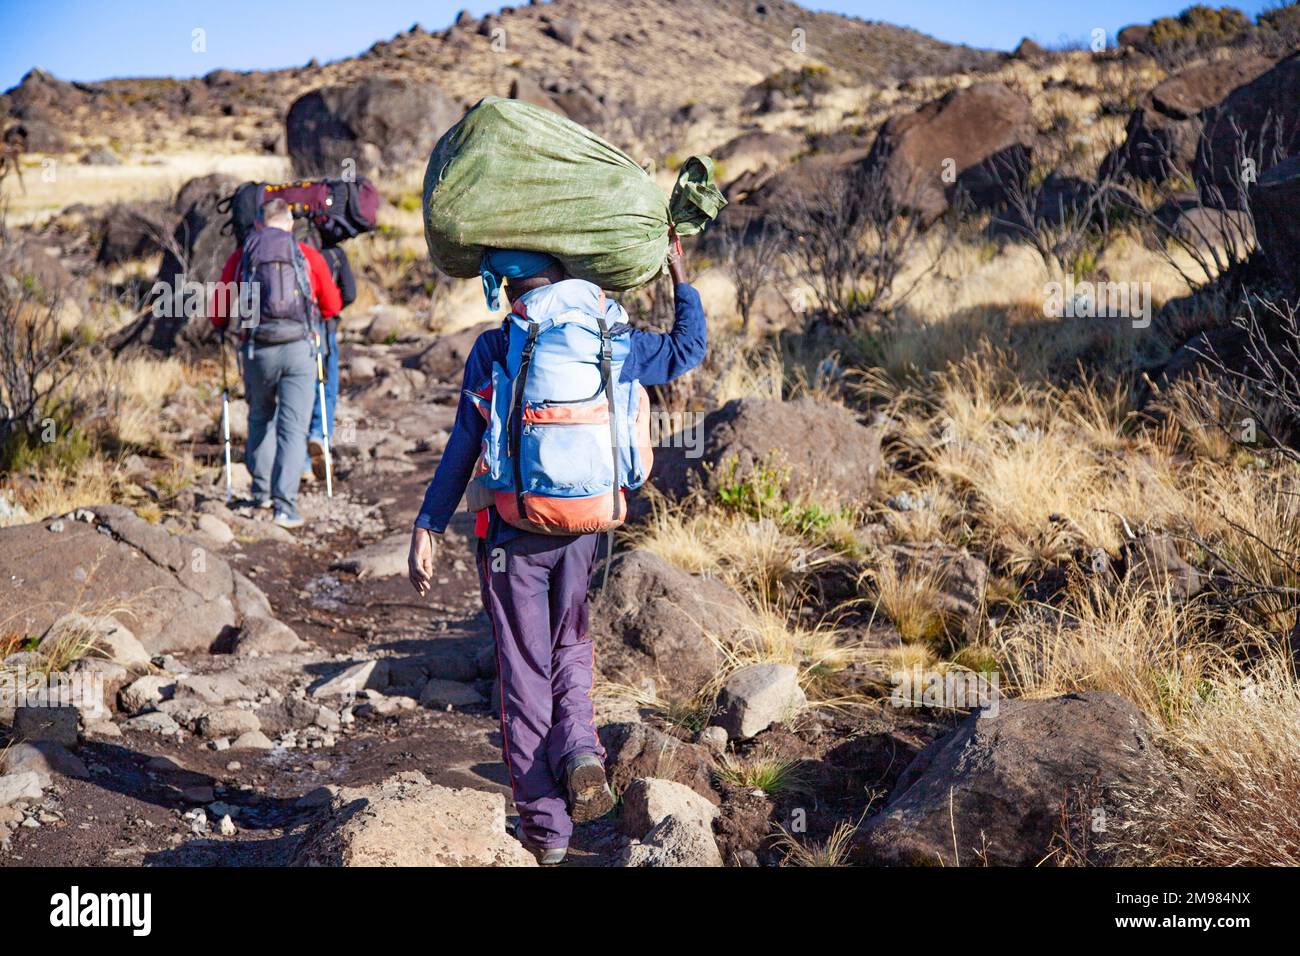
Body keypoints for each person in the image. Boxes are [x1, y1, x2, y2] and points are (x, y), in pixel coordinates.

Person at [407, 241, 706, 864]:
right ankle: (582, 755)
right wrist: (681, 276)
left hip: (511, 535)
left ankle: (545, 835)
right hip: (585, 524)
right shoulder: (607, 337)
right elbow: (686, 351)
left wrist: (428, 524)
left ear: (508, 289)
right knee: (570, 647)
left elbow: (465, 441)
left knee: (523, 672)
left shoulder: (499, 347)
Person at [209, 198, 342, 528]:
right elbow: (332, 304)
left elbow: (219, 311)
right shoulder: (305, 254)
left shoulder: (243, 256)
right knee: (293, 426)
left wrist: (223, 327)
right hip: (299, 350)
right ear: (289, 224)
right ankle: (285, 507)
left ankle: (261, 492)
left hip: (257, 351)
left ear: (258, 224)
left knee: (260, 417)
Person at [306, 244, 356, 482]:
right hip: (324, 327)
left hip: (283, 335)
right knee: (326, 388)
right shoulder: (332, 254)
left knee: (298, 394)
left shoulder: (272, 247)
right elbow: (348, 295)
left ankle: (300, 464)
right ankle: (318, 435)